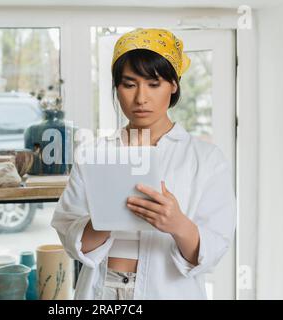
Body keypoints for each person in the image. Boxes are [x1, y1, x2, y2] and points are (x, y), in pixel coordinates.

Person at [51, 28, 236, 300]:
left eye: (153, 83)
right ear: (116, 88)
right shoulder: (94, 154)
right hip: (101, 292)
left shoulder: (205, 159)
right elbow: (71, 239)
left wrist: (177, 223)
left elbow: (213, 250)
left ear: (173, 85)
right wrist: (106, 217)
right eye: (129, 84)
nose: (140, 98)